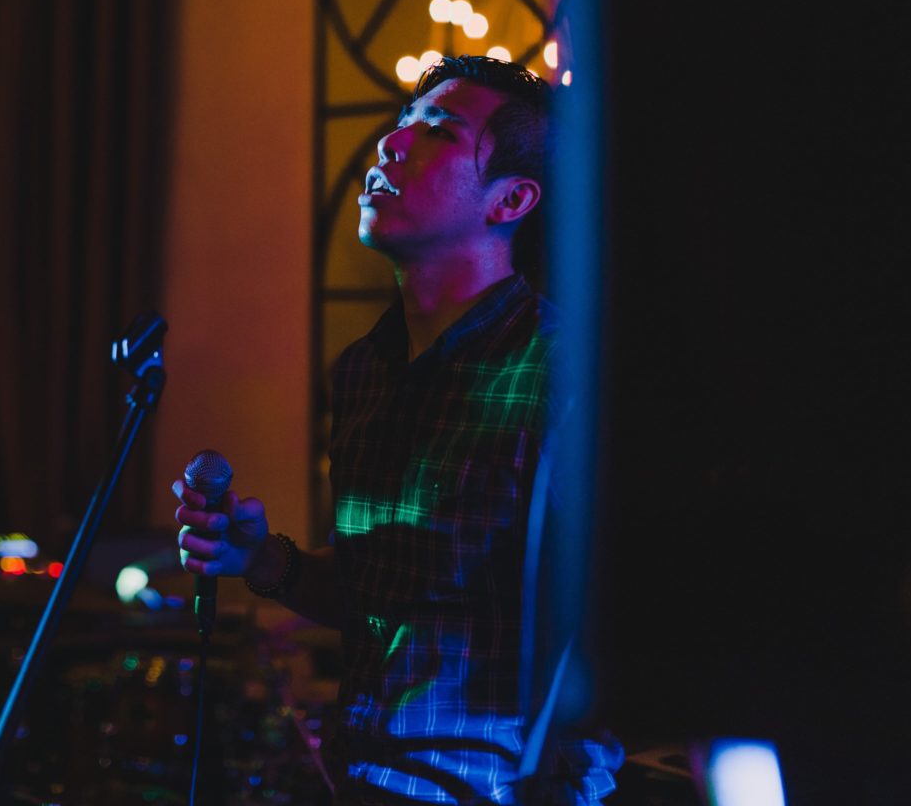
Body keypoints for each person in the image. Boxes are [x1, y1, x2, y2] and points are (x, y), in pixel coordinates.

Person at [174, 56, 622, 804]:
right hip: (359, 778)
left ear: (510, 199)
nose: (390, 143)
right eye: (403, 122)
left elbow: (610, 633)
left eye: (438, 131)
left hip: (487, 790)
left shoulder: (565, 371)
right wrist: (264, 559)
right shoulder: (364, 371)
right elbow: (382, 596)